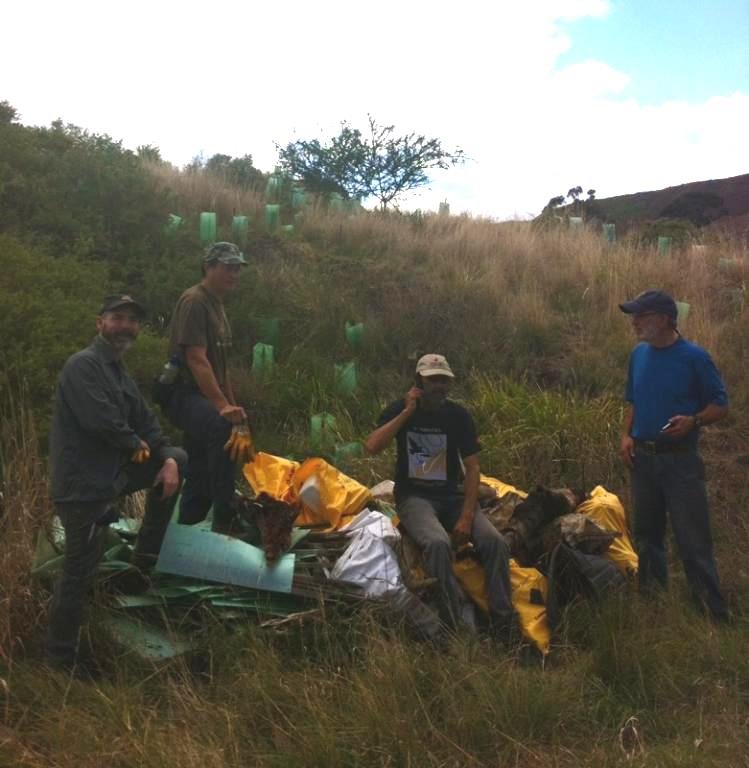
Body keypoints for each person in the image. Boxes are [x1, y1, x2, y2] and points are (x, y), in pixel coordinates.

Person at [47, 294, 187, 673]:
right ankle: (60, 660)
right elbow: (100, 421)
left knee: (179, 458)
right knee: (79, 571)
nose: (126, 325)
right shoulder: (84, 365)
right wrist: (136, 444)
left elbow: (147, 421)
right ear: (100, 323)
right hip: (83, 486)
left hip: (110, 477)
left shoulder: (119, 372)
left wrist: (167, 457)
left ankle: (143, 562)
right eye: (117, 317)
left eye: (132, 320)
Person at [365, 354, 513, 634]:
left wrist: (467, 516)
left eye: (444, 380)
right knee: (437, 543)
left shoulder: (458, 416)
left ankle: (504, 624)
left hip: (452, 497)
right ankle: (453, 627)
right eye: (433, 379)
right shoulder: (401, 410)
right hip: (414, 499)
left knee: (495, 542)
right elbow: (372, 445)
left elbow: (472, 468)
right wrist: (407, 412)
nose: (439, 386)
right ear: (419, 380)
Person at [619, 289, 730, 621]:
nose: (635, 322)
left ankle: (712, 614)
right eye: (634, 316)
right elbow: (634, 401)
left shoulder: (695, 358)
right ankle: (654, 607)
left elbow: (721, 406)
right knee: (647, 536)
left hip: (681, 461)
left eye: (642, 316)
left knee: (693, 540)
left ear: (665, 319)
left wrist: (694, 420)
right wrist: (626, 435)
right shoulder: (638, 355)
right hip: (644, 459)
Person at [165, 242, 249, 533]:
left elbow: (220, 367)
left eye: (237, 268)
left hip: (205, 396)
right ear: (208, 267)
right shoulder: (195, 301)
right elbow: (196, 359)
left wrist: (235, 409)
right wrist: (222, 408)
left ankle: (189, 527)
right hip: (184, 393)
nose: (234, 273)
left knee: (199, 466)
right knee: (220, 427)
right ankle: (225, 516)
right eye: (227, 267)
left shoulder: (218, 304)